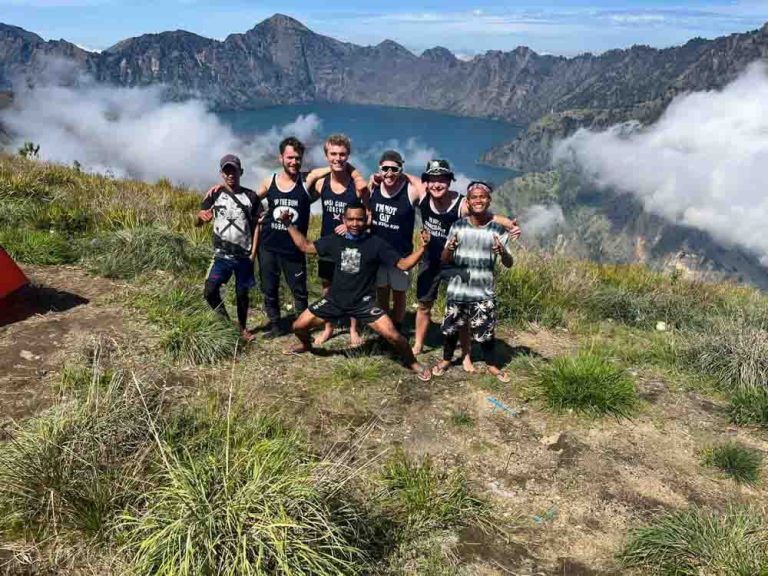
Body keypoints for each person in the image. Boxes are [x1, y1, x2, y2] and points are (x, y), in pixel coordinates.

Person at [278, 201, 433, 382]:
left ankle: (413, 363)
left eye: (359, 219)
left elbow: (404, 264)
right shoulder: (335, 240)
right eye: (350, 219)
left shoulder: (376, 244)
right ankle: (306, 345)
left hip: (363, 303)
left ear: (366, 219)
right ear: (344, 219)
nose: (354, 224)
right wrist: (288, 224)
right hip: (334, 300)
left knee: (395, 336)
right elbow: (305, 246)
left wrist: (423, 248)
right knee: (298, 326)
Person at [411, 160, 521, 359]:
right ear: (426, 181)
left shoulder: (461, 204)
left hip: (455, 261)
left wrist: (509, 225)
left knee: (462, 308)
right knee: (424, 304)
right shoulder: (423, 196)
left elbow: (487, 215)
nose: (437, 185)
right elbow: (408, 177)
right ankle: (418, 344)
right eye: (432, 179)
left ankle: (466, 353)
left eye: (442, 180)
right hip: (430, 260)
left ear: (449, 182)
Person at [432, 181, 513, 382]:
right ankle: (446, 360)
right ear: (468, 202)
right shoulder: (458, 226)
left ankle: (492, 365)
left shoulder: (498, 230)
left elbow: (509, 263)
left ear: (489, 200)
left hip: (483, 290)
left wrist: (502, 252)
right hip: (458, 289)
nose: (478, 200)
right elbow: (444, 258)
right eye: (474, 197)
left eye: (482, 197)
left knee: (486, 331)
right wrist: (449, 248)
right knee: (452, 328)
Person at [312, 133, 369, 347]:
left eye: (342, 154)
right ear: (326, 156)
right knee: (327, 286)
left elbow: (368, 214)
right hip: (328, 244)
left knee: (352, 285)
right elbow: (302, 188)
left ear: (349, 156)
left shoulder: (357, 186)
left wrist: (350, 225)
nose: (338, 158)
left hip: (352, 244)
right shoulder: (321, 183)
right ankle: (329, 327)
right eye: (333, 154)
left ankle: (354, 329)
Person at [196, 154, 261, 341]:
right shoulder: (214, 194)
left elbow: (258, 226)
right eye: (227, 171)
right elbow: (198, 222)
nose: (231, 174)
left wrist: (253, 253)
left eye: (234, 170)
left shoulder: (251, 196)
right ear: (221, 173)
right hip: (221, 255)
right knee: (209, 290)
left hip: (244, 256)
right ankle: (225, 322)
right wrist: (200, 218)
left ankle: (243, 329)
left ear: (241, 172)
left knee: (242, 294)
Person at [368, 150, 424, 334]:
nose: (389, 173)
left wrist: (404, 174)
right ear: (379, 169)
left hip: (401, 256)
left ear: (401, 169)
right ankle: (385, 326)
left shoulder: (409, 191)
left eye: (394, 169)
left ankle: (397, 326)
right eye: (385, 169)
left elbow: (424, 187)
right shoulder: (374, 189)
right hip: (377, 253)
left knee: (399, 293)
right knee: (382, 290)